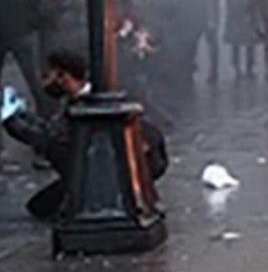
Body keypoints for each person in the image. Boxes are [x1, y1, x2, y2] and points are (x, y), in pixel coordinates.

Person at [1, 49, 167, 220]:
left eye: (47, 76)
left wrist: (10, 121)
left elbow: (46, 138)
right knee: (40, 206)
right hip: (97, 170)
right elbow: (50, 129)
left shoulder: (86, 105)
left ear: (63, 76)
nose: (44, 82)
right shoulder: (77, 100)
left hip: (100, 174)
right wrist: (23, 115)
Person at [0, 0, 49, 120]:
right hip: (21, 33)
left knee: (36, 83)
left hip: (22, 34)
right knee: (36, 82)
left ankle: (45, 121)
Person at [224, 0, 261, 80]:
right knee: (242, 43)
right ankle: (242, 67)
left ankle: (242, 67)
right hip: (243, 16)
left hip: (242, 16)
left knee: (243, 44)